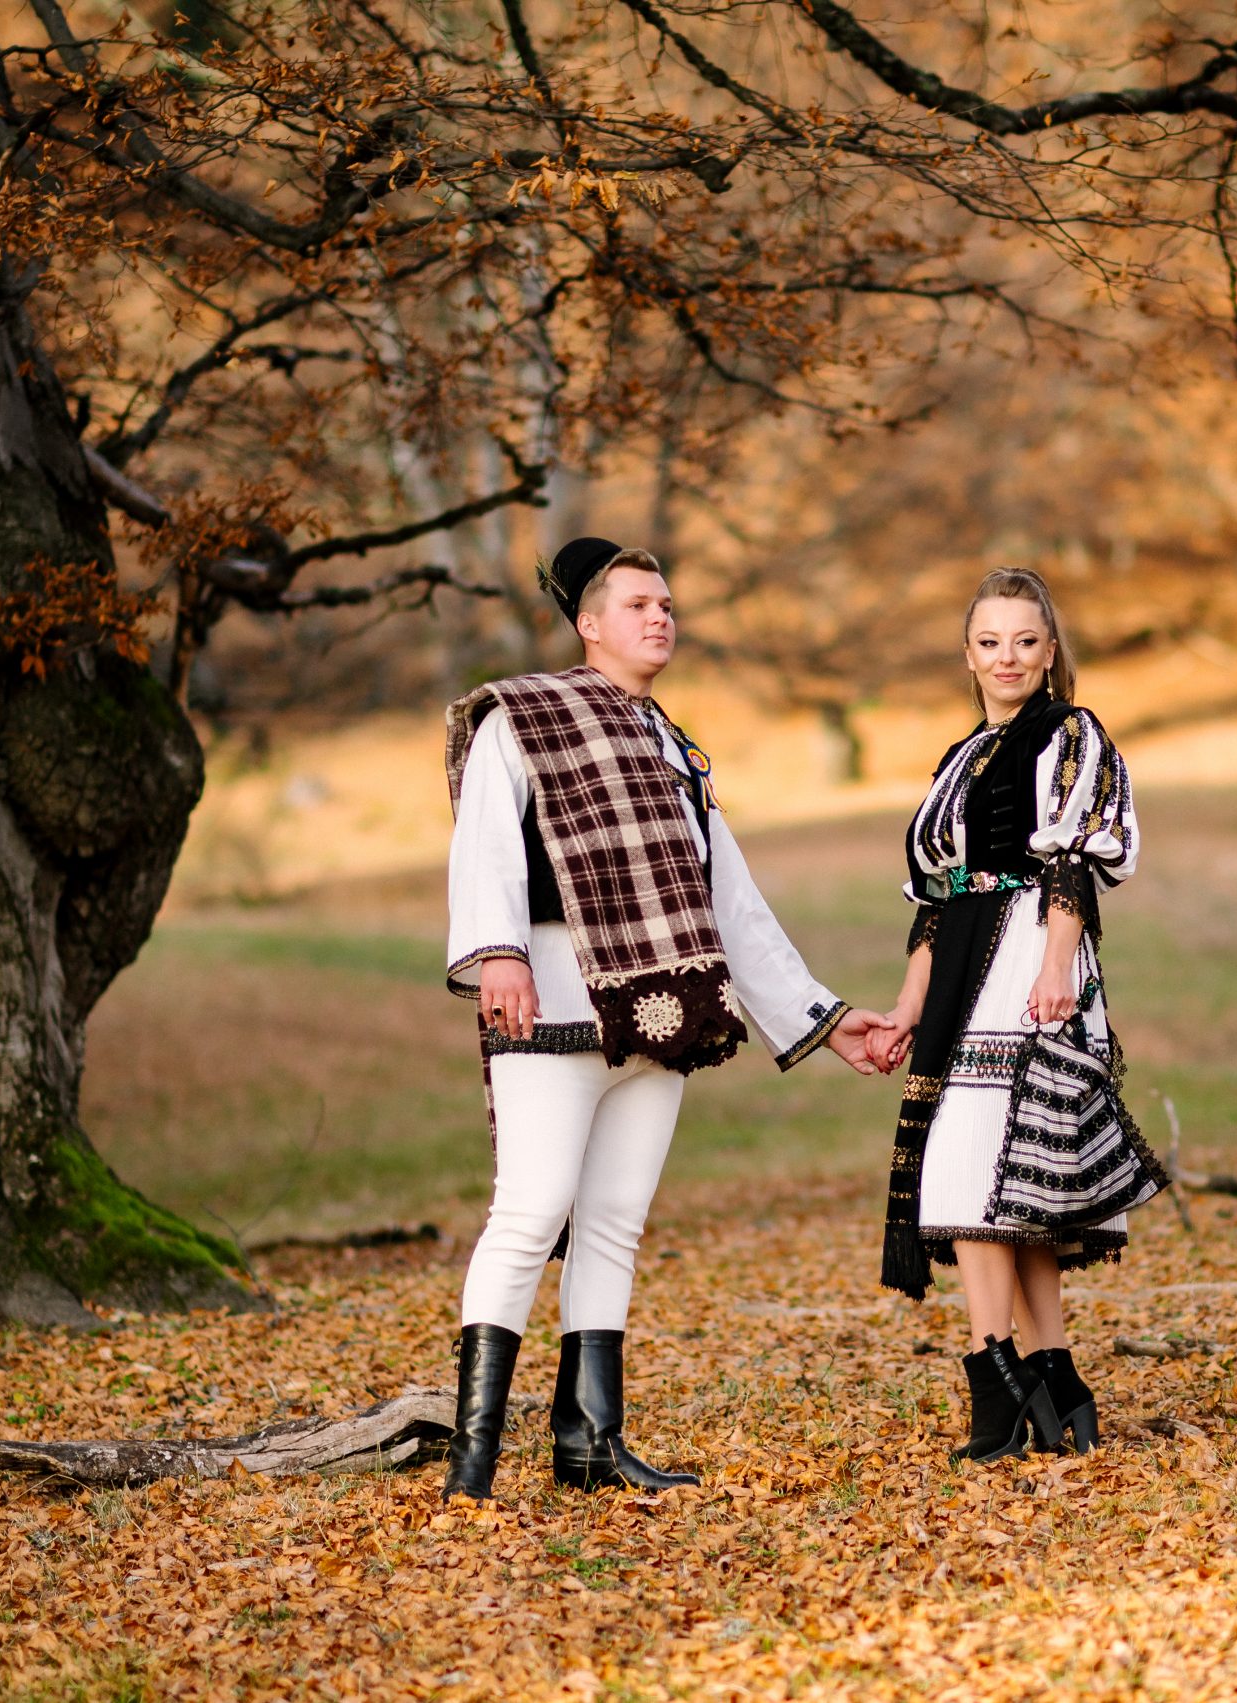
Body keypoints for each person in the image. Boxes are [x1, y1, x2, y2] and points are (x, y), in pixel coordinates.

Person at [438, 537, 894, 1501]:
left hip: (665, 1013)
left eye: (668, 605)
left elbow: (730, 902)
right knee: (529, 1213)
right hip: (554, 1002)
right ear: (588, 623)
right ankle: (471, 1465)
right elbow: (485, 840)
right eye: (639, 604)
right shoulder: (522, 716)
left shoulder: (674, 747)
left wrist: (825, 1018)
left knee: (613, 1224)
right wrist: (498, 952)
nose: (660, 617)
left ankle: (589, 1442)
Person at [871, 566, 1170, 1462]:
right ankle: (1055, 1376)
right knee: (1012, 1188)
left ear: (1050, 652)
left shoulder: (1071, 735)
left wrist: (1056, 967)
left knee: (972, 1169)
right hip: (962, 966)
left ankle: (993, 1377)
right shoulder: (960, 757)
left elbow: (1073, 859)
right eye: (990, 641)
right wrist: (907, 1005)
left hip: (1029, 956)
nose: (1007, 657)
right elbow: (937, 895)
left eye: (1025, 641)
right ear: (968, 654)